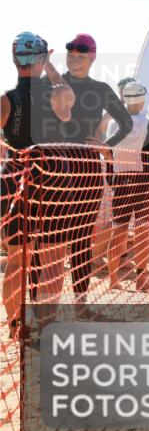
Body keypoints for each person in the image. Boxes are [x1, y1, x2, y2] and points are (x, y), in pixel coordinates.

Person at [1, 32, 74, 336]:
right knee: (54, 257)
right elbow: (68, 98)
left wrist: (11, 150)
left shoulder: (6, 100)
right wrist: (50, 65)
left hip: (14, 179)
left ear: (15, 59)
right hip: (51, 181)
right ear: (42, 60)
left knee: (18, 257)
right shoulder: (55, 95)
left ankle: (16, 324)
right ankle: (47, 322)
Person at [53, 33, 132, 304]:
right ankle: (43, 309)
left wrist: (106, 145)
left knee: (81, 241)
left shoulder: (100, 90)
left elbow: (126, 123)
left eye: (81, 56)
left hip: (86, 172)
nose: (75, 60)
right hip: (53, 170)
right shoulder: (51, 84)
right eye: (71, 55)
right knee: (48, 242)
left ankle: (80, 301)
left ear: (92, 57)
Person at [105, 82, 149, 293]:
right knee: (142, 234)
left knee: (118, 230)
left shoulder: (113, 124)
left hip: (121, 181)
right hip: (144, 182)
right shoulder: (148, 124)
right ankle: (141, 279)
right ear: (140, 100)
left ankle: (113, 279)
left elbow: (107, 152)